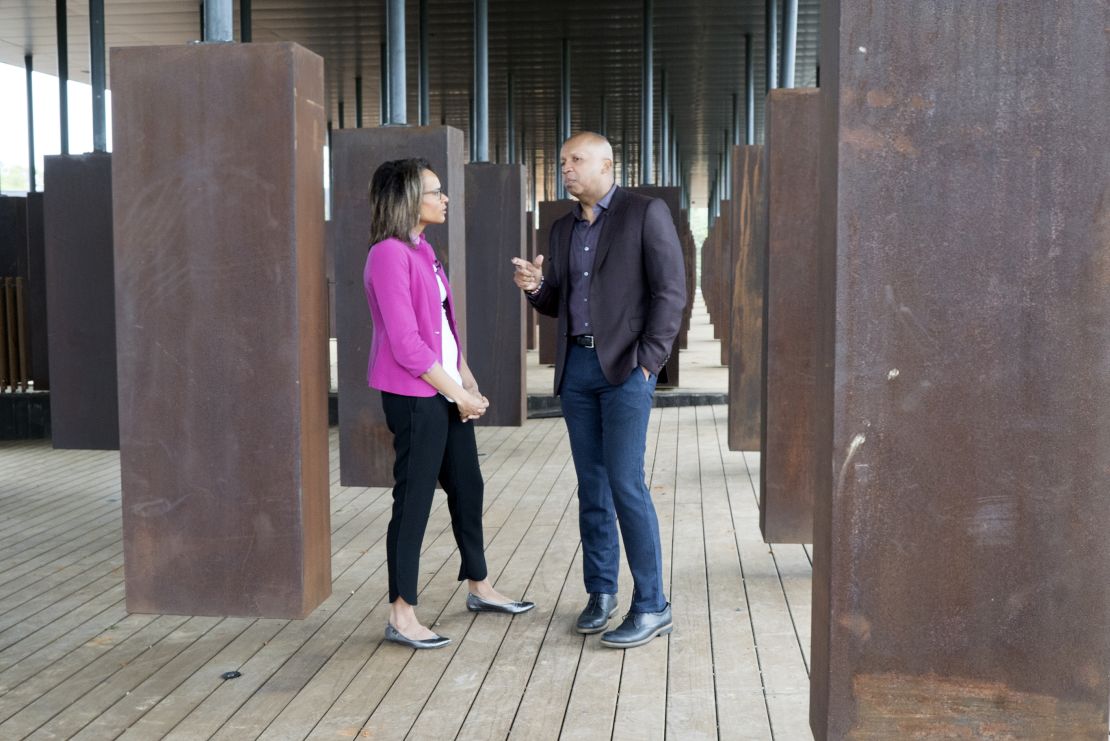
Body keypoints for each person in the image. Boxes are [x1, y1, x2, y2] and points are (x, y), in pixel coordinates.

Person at [511, 132, 686, 649]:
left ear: (607, 165)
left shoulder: (643, 213)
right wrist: (535, 288)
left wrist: (649, 363)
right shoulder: (563, 229)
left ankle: (653, 604)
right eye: (562, 160)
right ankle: (601, 592)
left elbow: (671, 291)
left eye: (575, 160)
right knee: (593, 487)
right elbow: (558, 302)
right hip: (577, 371)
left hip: (626, 370)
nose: (565, 168)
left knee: (627, 484)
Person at [365, 158, 534, 650]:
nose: (444, 199)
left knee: (468, 487)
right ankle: (401, 613)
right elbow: (407, 344)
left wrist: (468, 382)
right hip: (415, 396)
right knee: (413, 499)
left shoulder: (424, 249)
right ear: (405, 199)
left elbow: (442, 329)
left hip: (444, 387)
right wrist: (456, 393)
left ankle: (480, 586)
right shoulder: (387, 254)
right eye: (435, 191)